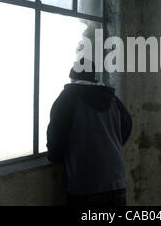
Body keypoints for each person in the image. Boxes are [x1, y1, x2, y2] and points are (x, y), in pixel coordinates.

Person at [47, 58, 132, 206]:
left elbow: (56, 138)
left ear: (73, 77)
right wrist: (111, 145)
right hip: (116, 182)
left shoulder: (67, 98)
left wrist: (55, 156)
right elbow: (127, 126)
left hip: (84, 184)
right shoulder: (112, 99)